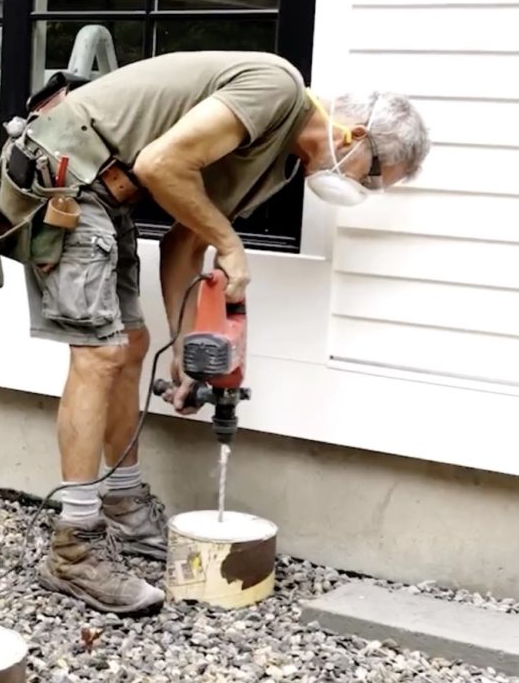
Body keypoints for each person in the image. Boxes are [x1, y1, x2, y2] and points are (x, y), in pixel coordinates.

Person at [25, 50, 430, 614]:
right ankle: (74, 549)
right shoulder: (275, 88)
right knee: (100, 354)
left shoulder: (279, 161)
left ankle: (124, 507)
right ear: (356, 136)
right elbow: (162, 163)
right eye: (376, 176)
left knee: (134, 346)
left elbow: (184, 240)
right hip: (66, 175)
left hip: (103, 191)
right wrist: (234, 246)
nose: (367, 190)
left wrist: (188, 352)